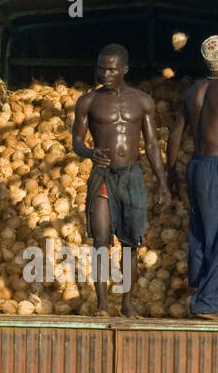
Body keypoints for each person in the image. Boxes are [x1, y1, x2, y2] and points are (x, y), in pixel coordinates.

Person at [71, 44, 172, 316]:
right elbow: (76, 141)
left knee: (131, 243)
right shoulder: (88, 101)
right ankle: (103, 304)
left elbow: (151, 145)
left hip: (132, 176)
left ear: (124, 70)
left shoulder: (142, 101)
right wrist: (90, 152)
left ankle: (127, 303)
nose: (105, 74)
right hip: (102, 175)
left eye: (111, 69)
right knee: (101, 238)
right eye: (101, 68)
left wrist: (163, 183)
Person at [166, 34, 218, 321]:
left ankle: (203, 293)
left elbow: (175, 133)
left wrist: (171, 170)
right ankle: (208, 303)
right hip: (217, 165)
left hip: (196, 166)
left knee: (201, 232)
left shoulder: (192, 91)